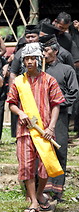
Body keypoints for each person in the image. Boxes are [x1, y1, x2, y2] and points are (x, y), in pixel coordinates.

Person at [7, 42, 65, 212]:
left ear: (39, 60)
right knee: (26, 166)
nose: (30, 61)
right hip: (25, 131)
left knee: (45, 166)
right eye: (27, 59)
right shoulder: (19, 81)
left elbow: (56, 105)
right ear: (23, 61)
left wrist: (51, 127)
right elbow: (11, 103)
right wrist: (20, 112)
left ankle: (40, 194)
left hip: (44, 131)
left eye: (33, 58)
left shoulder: (49, 80)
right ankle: (33, 200)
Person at [39, 35, 79, 201]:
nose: (44, 53)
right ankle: (43, 188)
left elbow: (74, 92)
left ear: (55, 51)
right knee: (43, 151)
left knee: (60, 150)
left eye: (47, 50)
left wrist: (59, 104)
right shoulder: (39, 71)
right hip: (41, 116)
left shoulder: (66, 70)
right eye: (43, 50)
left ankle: (57, 189)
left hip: (61, 115)